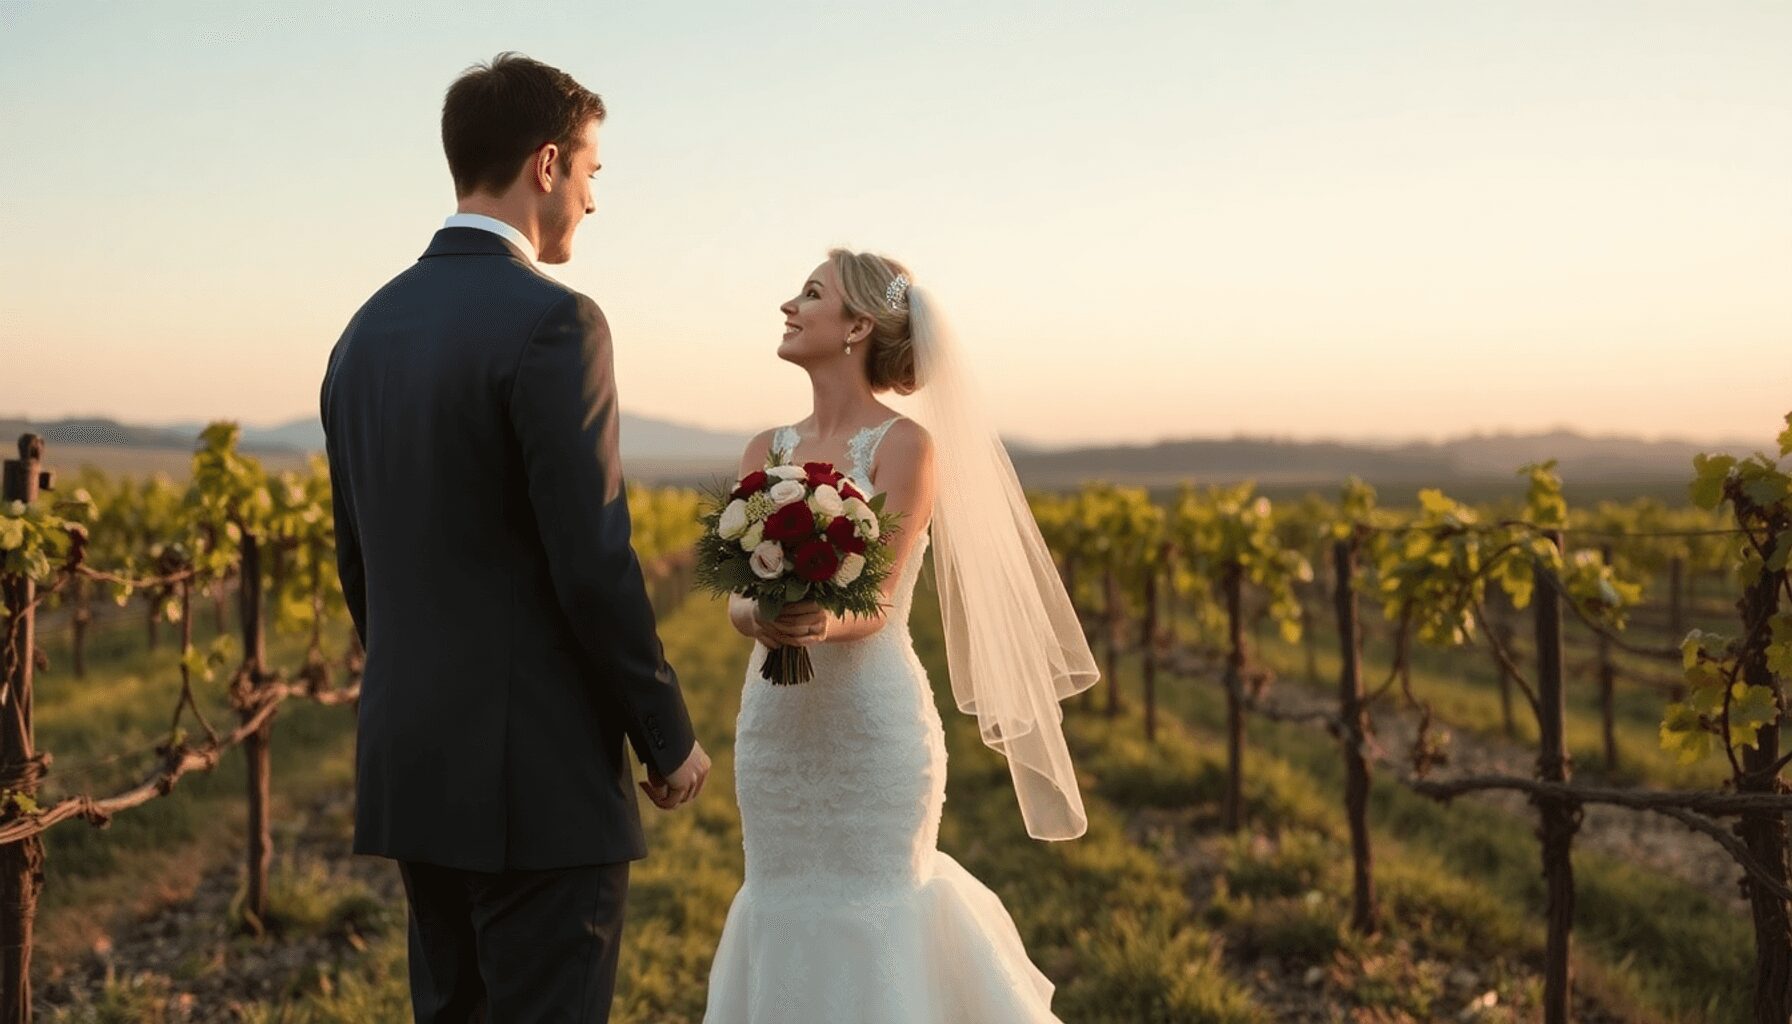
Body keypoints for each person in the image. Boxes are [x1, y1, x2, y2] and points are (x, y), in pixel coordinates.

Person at [319, 51, 709, 1023]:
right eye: (591, 172)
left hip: (413, 764)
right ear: (546, 164)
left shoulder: (361, 334)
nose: (592, 199)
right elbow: (591, 561)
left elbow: (358, 563)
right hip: (537, 783)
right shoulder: (556, 323)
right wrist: (664, 735)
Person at [702, 249, 1100, 1022]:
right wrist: (757, 617)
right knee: (779, 900)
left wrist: (819, 621)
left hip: (870, 732)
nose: (788, 305)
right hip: (777, 735)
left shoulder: (905, 447)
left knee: (877, 905)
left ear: (857, 325)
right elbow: (738, 599)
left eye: (809, 294)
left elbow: (878, 602)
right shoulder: (764, 451)